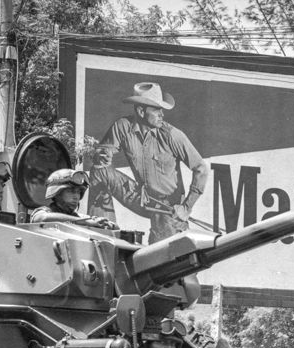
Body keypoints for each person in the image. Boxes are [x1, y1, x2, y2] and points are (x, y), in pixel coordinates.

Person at [87, 82, 208, 243]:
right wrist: (102, 155)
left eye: (161, 110)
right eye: (156, 110)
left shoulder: (172, 135)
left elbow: (201, 168)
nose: (162, 114)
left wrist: (186, 208)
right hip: (139, 196)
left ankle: (174, 232)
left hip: (167, 206)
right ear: (141, 111)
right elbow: (102, 151)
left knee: (162, 254)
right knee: (100, 170)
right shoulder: (123, 126)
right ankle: (101, 235)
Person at [29, 169, 118, 229]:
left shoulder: (79, 217)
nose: (76, 196)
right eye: (71, 191)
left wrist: (106, 225)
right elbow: (42, 218)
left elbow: (84, 218)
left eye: (78, 192)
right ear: (57, 193)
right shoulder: (44, 211)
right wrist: (87, 222)